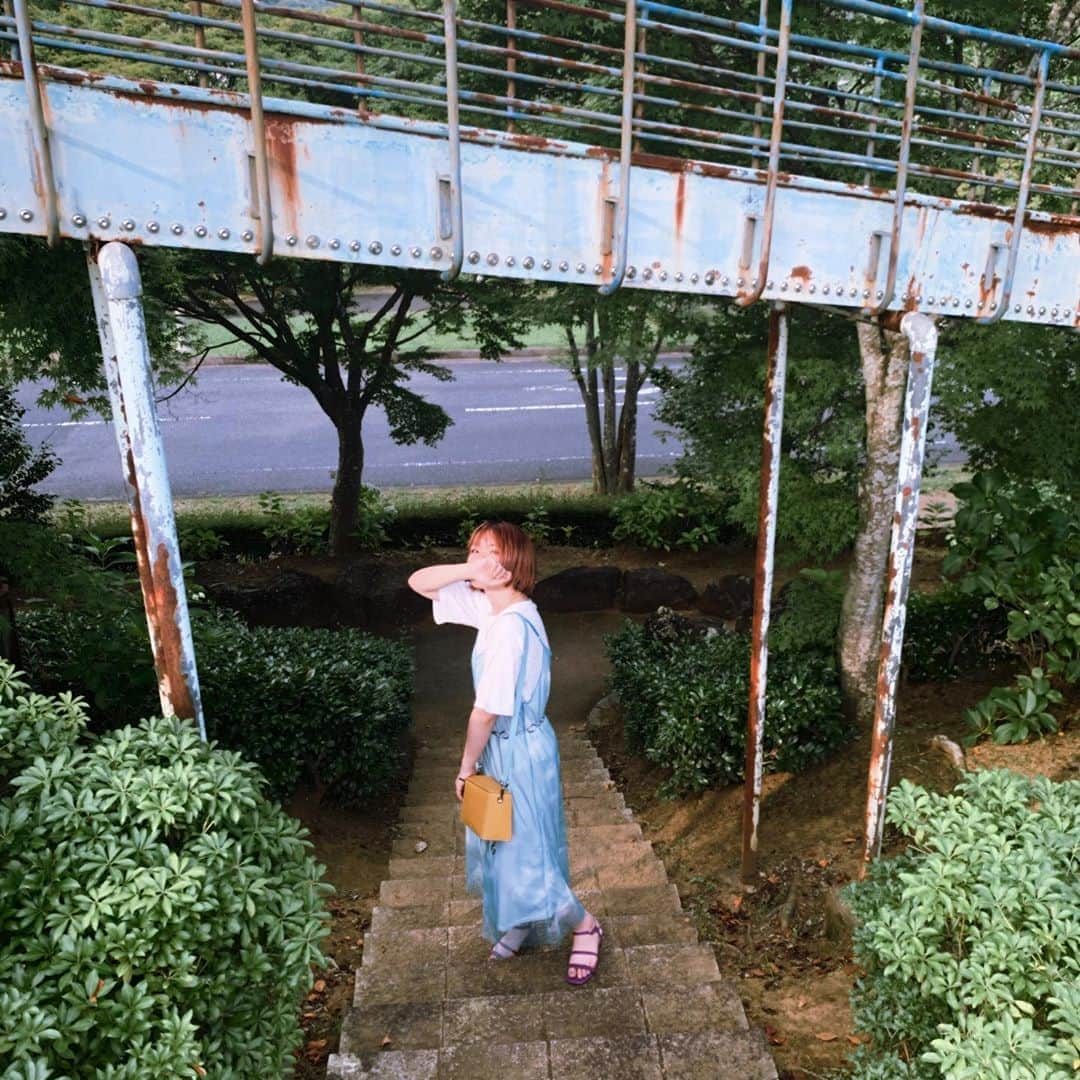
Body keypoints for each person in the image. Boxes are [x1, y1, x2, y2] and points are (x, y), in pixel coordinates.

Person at [407, 521, 602, 985]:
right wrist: (470, 568)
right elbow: (419, 583)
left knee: (526, 849)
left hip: (518, 749)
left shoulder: (508, 629)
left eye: (486, 551)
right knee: (503, 842)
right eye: (472, 548)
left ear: (511, 564)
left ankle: (584, 924)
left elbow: (486, 712)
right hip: (514, 746)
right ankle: (519, 921)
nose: (474, 557)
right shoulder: (495, 609)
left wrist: (464, 767)